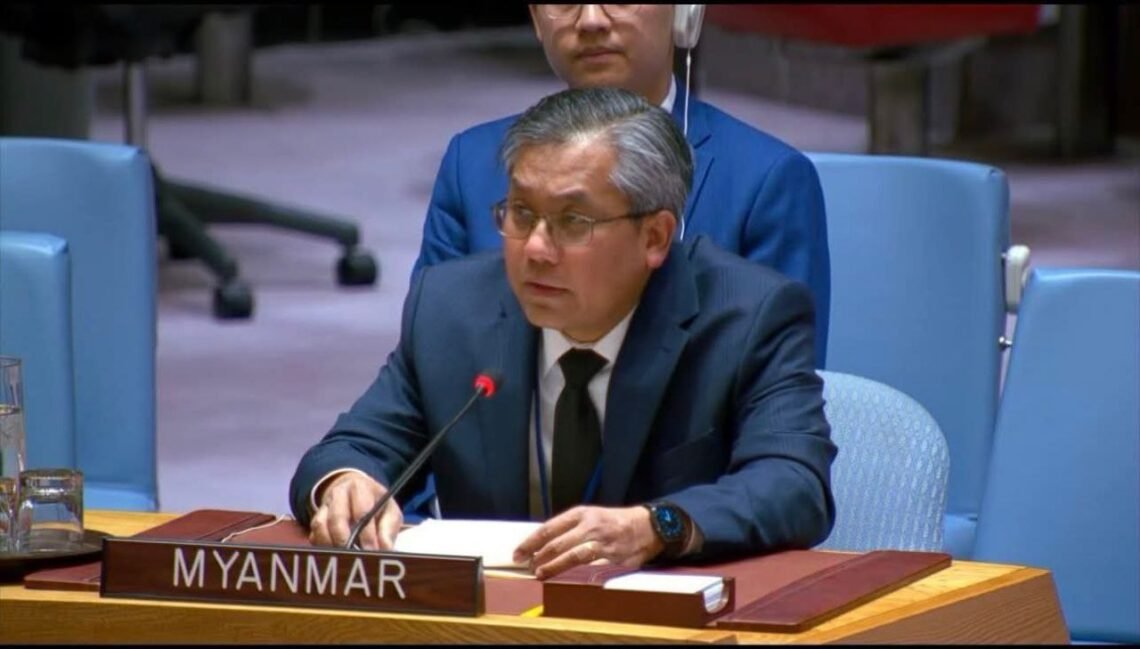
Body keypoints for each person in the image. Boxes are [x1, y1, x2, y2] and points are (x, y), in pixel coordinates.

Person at [292, 87, 836, 580]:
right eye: (521, 213)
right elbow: (349, 449)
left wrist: (658, 526)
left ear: (655, 236)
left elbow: (794, 483)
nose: (535, 248)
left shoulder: (748, 315)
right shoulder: (451, 308)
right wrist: (345, 483)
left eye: (573, 222)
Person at [413, 4, 831, 364]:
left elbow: (778, 396)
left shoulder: (766, 182)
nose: (591, 20)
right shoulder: (471, 164)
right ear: (536, 19)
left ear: (684, 12)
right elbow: (428, 365)